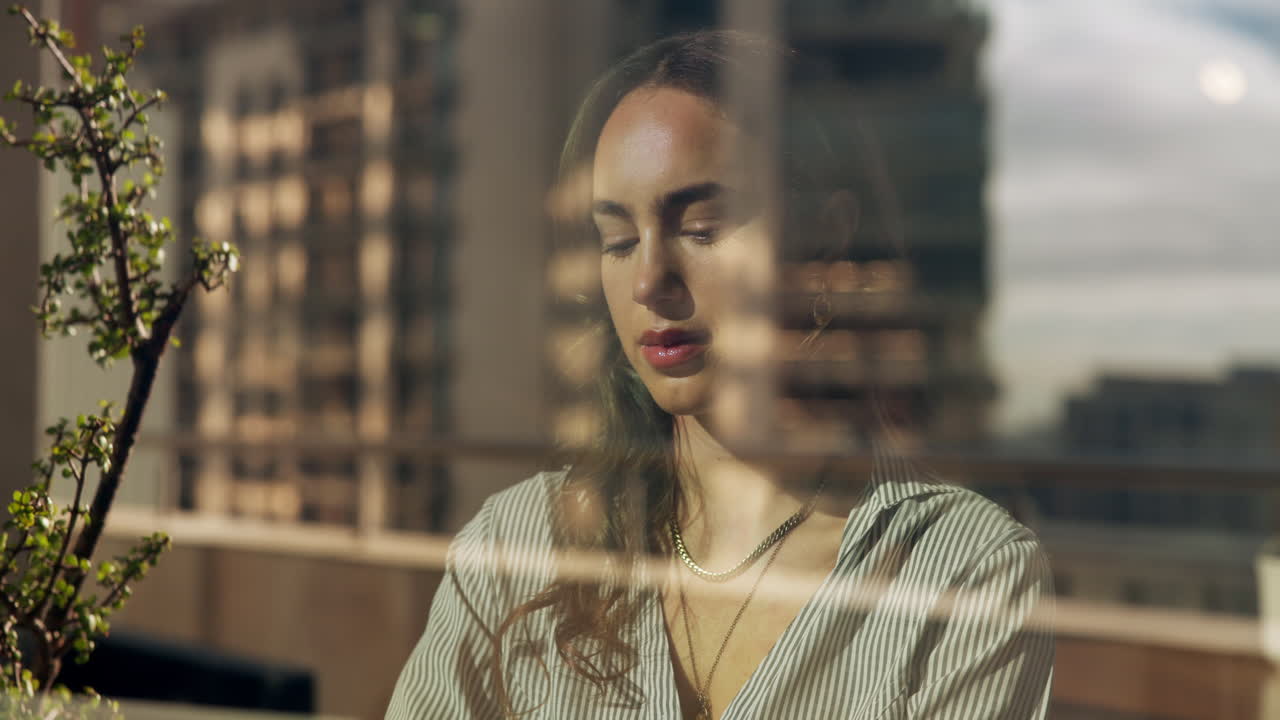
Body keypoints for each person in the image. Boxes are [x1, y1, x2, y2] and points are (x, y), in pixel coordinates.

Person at [386, 30, 1054, 720]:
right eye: (617, 240)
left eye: (702, 227)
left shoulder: (964, 574)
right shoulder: (518, 545)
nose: (649, 280)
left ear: (822, 236)